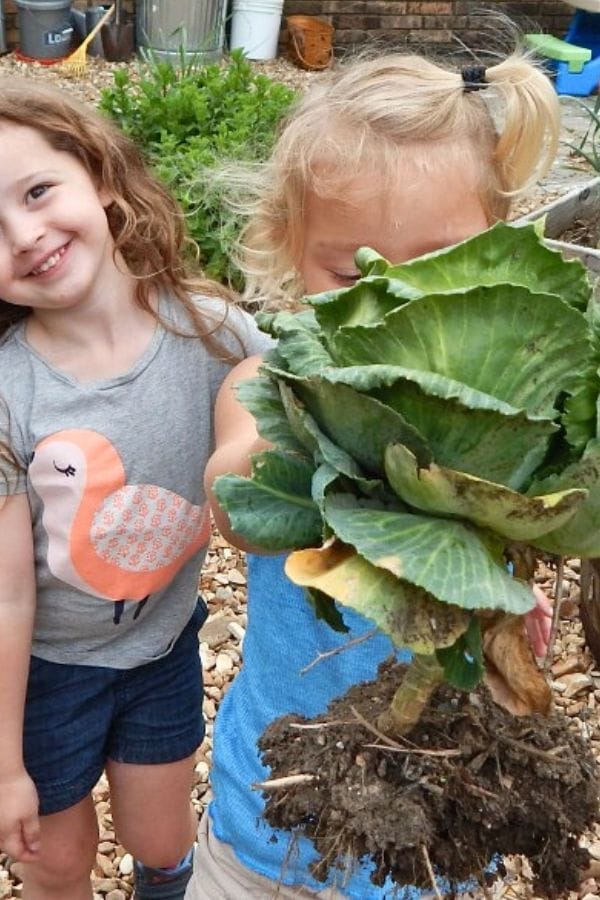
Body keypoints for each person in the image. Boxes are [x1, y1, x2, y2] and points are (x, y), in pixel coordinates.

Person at [194, 51, 559, 899]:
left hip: (441, 811)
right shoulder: (266, 387)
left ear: (502, 251)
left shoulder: (518, 402)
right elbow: (235, 508)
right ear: (286, 252)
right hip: (279, 799)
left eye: (438, 266)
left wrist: (512, 590)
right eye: (354, 274)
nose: (396, 300)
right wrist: (308, 419)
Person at [0, 79, 273, 900]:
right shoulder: (10, 394)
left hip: (161, 644)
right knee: (52, 856)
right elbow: (9, 592)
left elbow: (291, 408)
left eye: (38, 190)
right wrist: (4, 760)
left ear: (102, 177)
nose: (25, 234)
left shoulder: (212, 331)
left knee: (161, 836)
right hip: (47, 667)